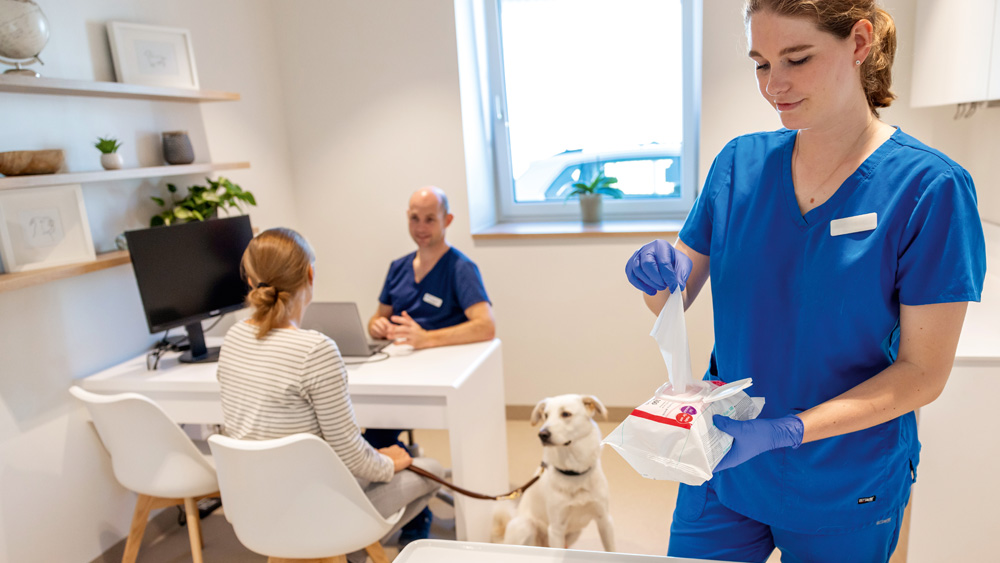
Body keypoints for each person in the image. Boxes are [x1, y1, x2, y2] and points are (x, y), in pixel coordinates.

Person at [623, 1, 986, 562]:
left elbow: (923, 373)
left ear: (859, 42)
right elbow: (672, 297)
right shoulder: (738, 165)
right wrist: (657, 276)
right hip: (723, 459)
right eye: (761, 63)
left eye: (796, 58)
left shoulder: (929, 188)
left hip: (845, 478)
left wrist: (784, 432)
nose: (775, 86)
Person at [216, 228, 444, 561]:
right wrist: (388, 463)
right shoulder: (315, 351)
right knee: (431, 468)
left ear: (250, 281)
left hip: (254, 510)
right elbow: (351, 455)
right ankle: (344, 548)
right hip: (317, 511)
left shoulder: (233, 339)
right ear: (310, 274)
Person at [365, 185, 495, 542]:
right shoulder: (398, 268)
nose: (421, 227)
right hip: (394, 371)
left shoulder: (460, 269)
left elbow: (485, 326)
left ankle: (414, 511)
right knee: (372, 432)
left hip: (441, 376)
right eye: (414, 218)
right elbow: (377, 318)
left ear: (447, 220)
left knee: (381, 434)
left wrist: (428, 338)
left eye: (430, 219)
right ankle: (389, 500)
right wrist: (375, 325)